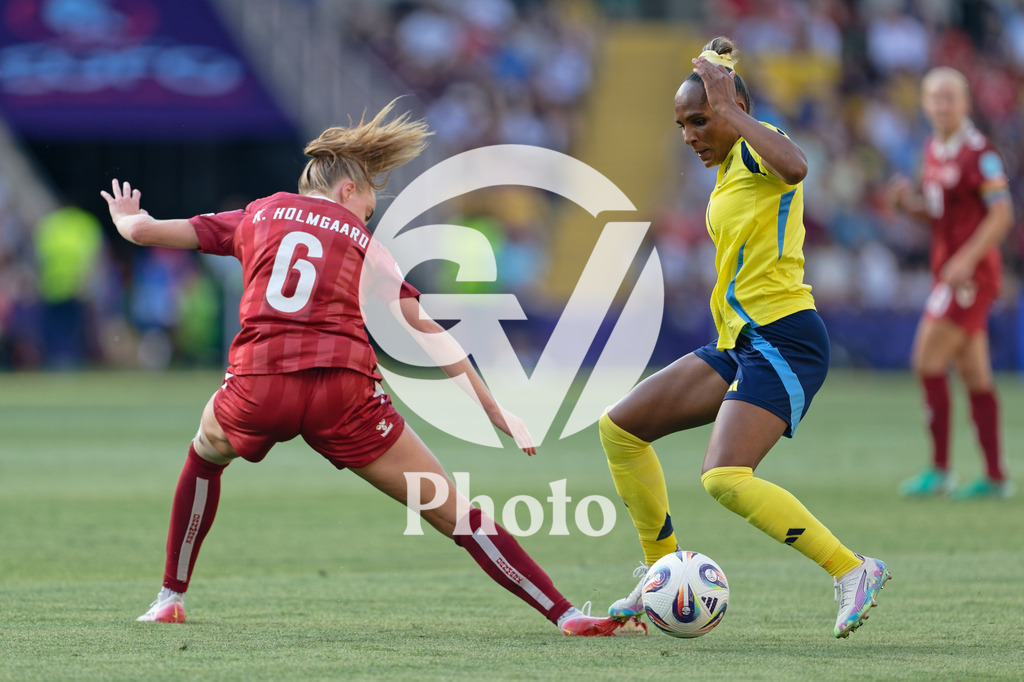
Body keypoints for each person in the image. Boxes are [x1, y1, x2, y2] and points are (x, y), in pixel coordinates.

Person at [100, 101, 645, 637]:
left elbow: (147, 233)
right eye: (369, 201)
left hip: (259, 383)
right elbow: (428, 332)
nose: (369, 213)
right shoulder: (368, 246)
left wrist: (127, 220)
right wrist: (494, 408)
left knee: (203, 454)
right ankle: (566, 614)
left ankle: (171, 597)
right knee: (454, 513)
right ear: (347, 191)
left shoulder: (258, 213)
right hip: (345, 391)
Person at [596, 38, 890, 639]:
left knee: (724, 478)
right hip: (741, 342)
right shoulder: (730, 167)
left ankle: (853, 569)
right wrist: (716, 75)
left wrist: (729, 109)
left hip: (785, 338)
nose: (689, 135)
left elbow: (799, 166)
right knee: (621, 430)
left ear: (733, 110)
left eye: (698, 120)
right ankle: (659, 576)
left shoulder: (757, 148)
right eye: (682, 125)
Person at [889, 67, 1014, 500]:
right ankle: (996, 476)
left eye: (950, 98)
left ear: (965, 103)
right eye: (935, 98)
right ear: (925, 105)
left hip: (971, 276)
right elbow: (941, 213)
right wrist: (909, 206)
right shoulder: (932, 149)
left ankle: (940, 471)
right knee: (975, 374)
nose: (942, 105)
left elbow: (1001, 215)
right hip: (951, 271)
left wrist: (966, 258)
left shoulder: (980, 153)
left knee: (926, 360)